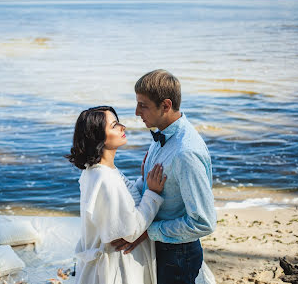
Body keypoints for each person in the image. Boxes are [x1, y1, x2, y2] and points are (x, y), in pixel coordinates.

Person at [111, 69, 217, 284]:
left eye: (143, 105)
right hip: (163, 248)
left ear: (166, 106)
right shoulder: (163, 132)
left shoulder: (186, 153)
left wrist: (148, 232)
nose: (136, 112)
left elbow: (204, 223)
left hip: (177, 255)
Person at [67, 106, 167, 284]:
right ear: (98, 136)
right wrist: (152, 193)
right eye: (114, 125)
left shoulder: (98, 171)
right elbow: (131, 230)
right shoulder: (105, 179)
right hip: (118, 269)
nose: (123, 127)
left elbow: (123, 202)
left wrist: (143, 180)